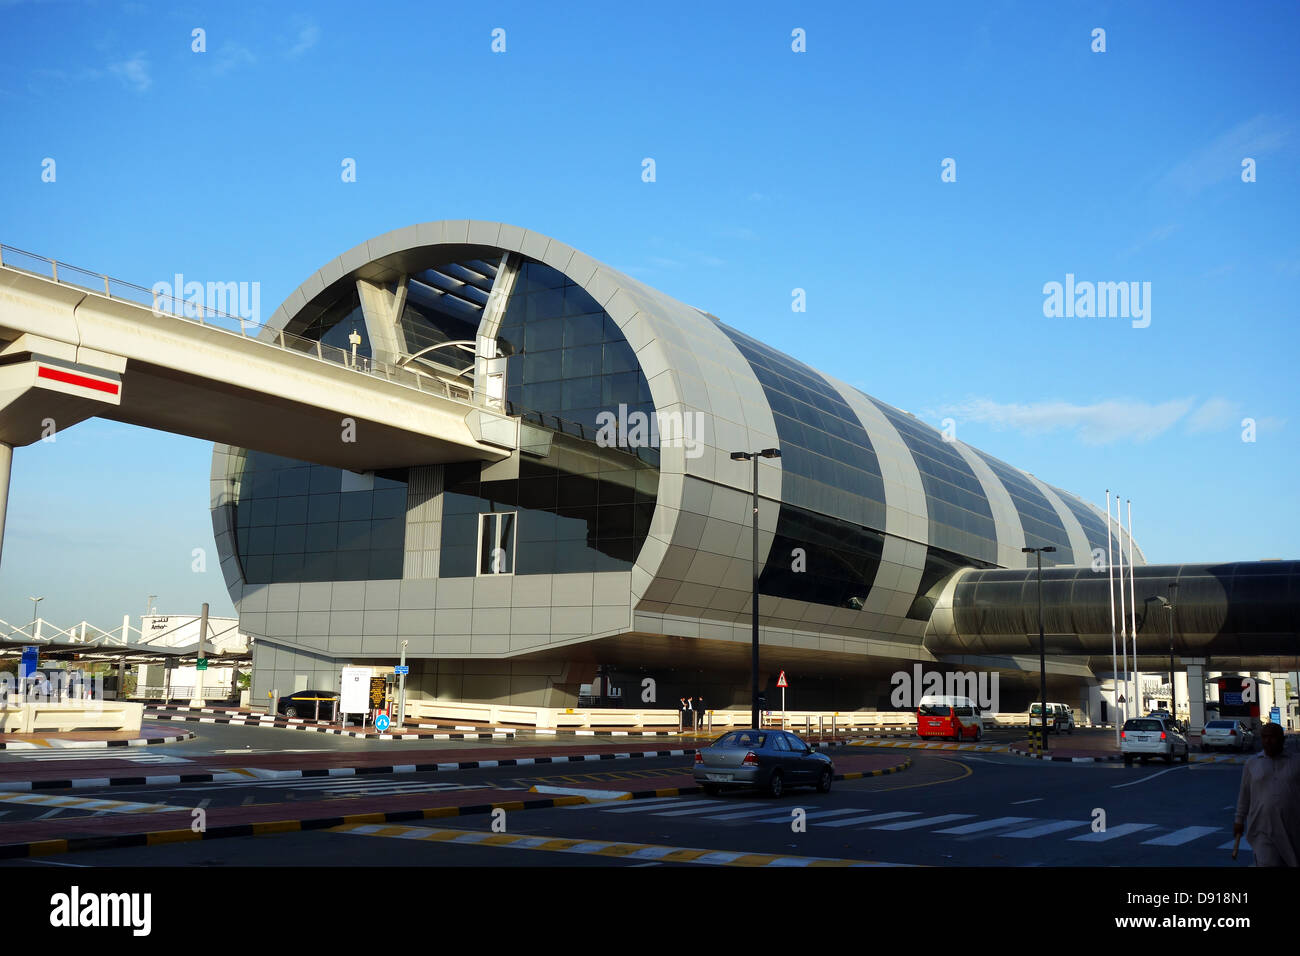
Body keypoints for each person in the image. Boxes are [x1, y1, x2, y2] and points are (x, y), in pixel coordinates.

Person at [1234, 722, 1300, 866]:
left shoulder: (1296, 762)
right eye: (1264, 737)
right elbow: (1244, 795)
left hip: (1292, 829)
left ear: (1282, 739)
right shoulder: (1252, 764)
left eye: (1272, 737)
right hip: (1262, 828)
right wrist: (1239, 820)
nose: (1268, 741)